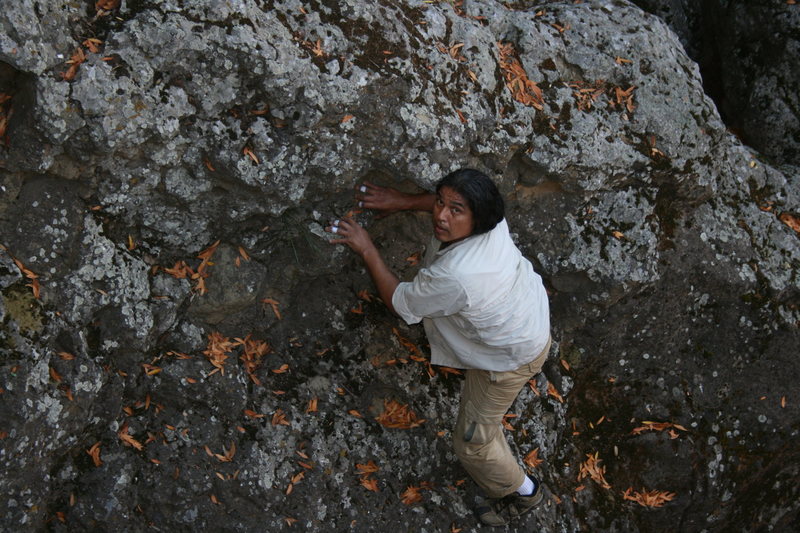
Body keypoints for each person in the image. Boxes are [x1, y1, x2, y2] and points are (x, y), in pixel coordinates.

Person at [327, 168, 551, 527]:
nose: (441, 215)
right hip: (526, 317)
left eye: (455, 210)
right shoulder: (493, 222)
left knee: (473, 443)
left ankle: (523, 491)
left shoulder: (459, 276)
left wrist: (366, 247)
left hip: (510, 358)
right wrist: (401, 201)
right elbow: (449, 204)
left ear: (478, 217)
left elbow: (401, 304)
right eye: (440, 202)